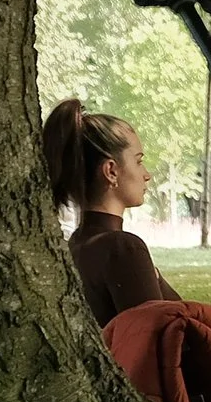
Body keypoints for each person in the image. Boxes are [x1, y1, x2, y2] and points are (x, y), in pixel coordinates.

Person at [43, 99, 176, 325]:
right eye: (138, 161)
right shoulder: (122, 248)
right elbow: (160, 342)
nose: (147, 174)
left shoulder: (75, 243)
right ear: (111, 171)